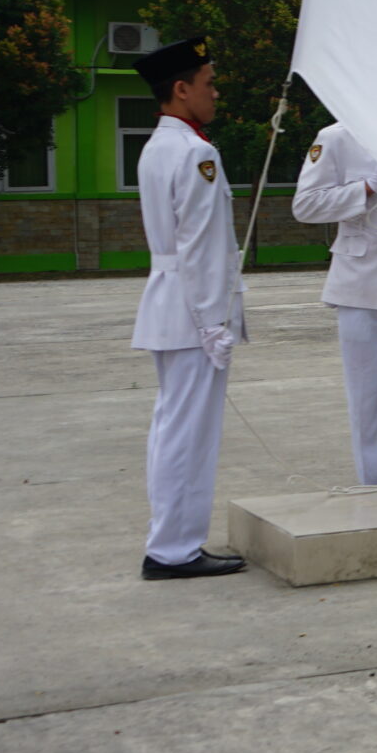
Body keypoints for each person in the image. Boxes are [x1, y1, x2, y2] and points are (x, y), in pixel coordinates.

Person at [129, 38, 247, 579]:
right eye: (208, 83)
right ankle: (174, 550)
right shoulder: (197, 153)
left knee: (172, 427)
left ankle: (170, 541)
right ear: (181, 90)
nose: (215, 93)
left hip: (167, 305)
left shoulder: (158, 146)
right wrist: (212, 324)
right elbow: (201, 247)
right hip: (192, 313)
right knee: (188, 435)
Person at [290, 119, 377, 485]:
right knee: (367, 401)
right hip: (359, 282)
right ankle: (375, 484)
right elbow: (306, 205)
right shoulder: (337, 137)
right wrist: (367, 189)